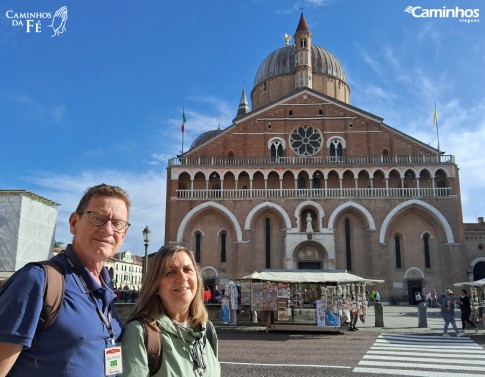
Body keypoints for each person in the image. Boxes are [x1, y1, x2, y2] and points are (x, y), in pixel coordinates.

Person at [0, 183, 130, 376]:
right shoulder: (37, 279)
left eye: (117, 223)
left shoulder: (105, 290)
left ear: (124, 234)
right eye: (98, 218)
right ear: (73, 222)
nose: (107, 229)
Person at [122, 245, 221, 377]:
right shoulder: (139, 333)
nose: (182, 277)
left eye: (187, 269)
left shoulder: (206, 329)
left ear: (197, 279)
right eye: (170, 272)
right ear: (155, 285)